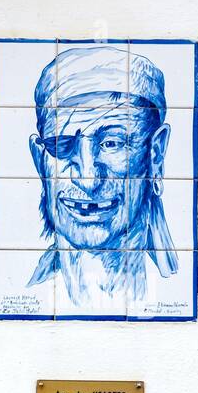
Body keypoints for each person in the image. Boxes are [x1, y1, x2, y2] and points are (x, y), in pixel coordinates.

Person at [28, 44, 177, 308]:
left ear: (155, 153)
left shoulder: (177, 290)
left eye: (112, 143)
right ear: (40, 159)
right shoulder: (31, 293)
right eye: (62, 144)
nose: (88, 179)